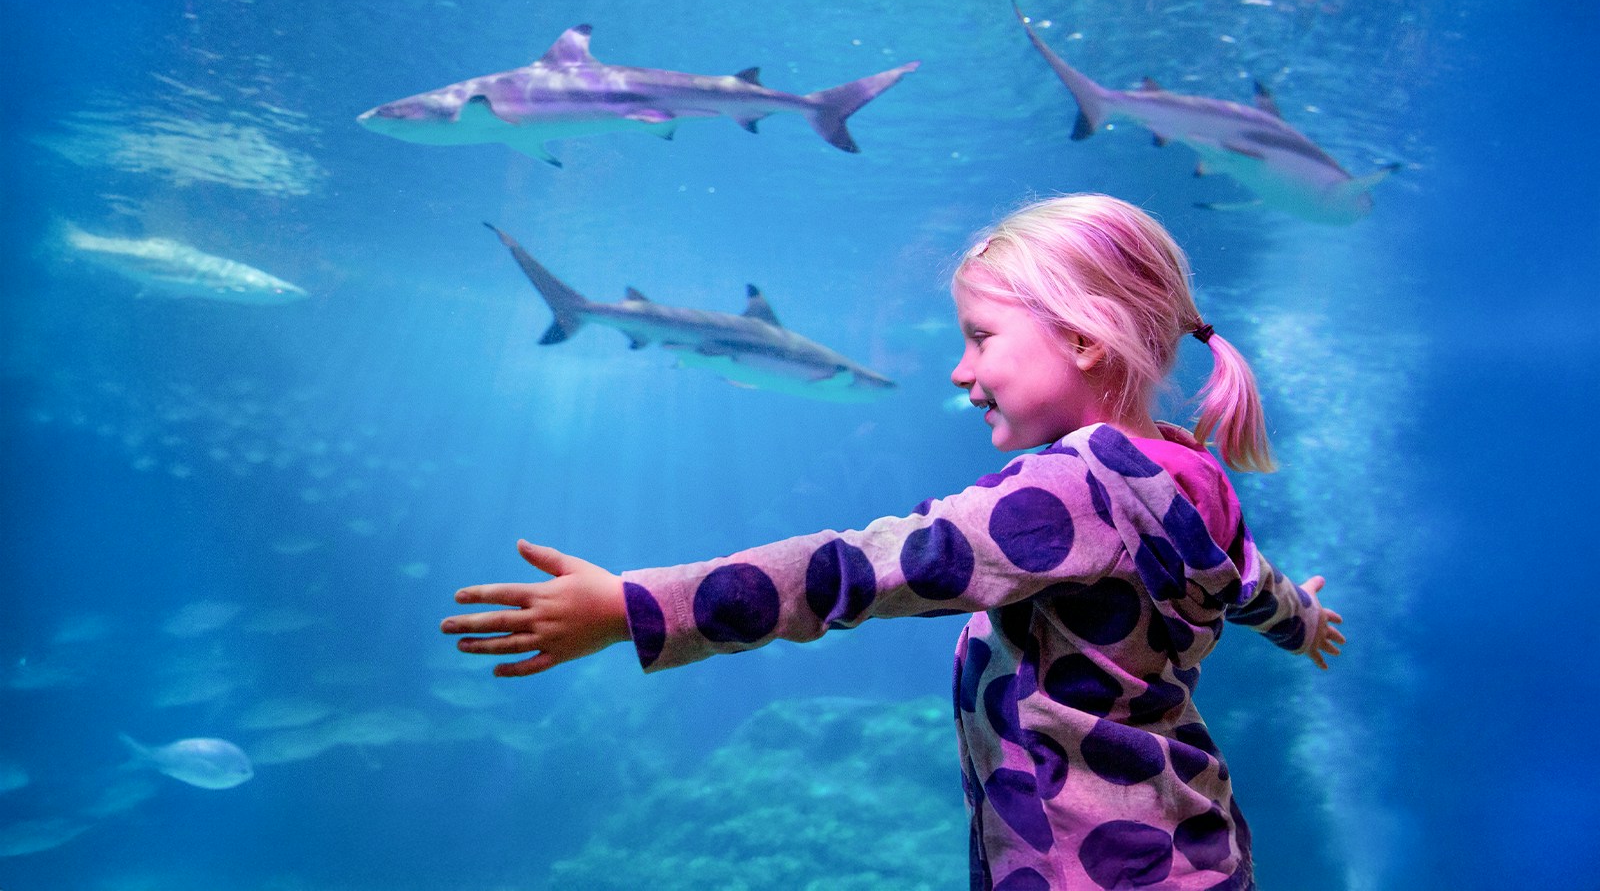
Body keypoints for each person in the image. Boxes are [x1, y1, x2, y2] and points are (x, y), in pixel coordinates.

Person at [441, 193, 1345, 890]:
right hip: (1193, 846)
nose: (960, 370)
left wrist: (638, 606)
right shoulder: (1188, 471)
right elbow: (1247, 583)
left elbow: (854, 571)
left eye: (981, 338)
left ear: (1080, 337)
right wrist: (1304, 622)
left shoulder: (1069, 493)